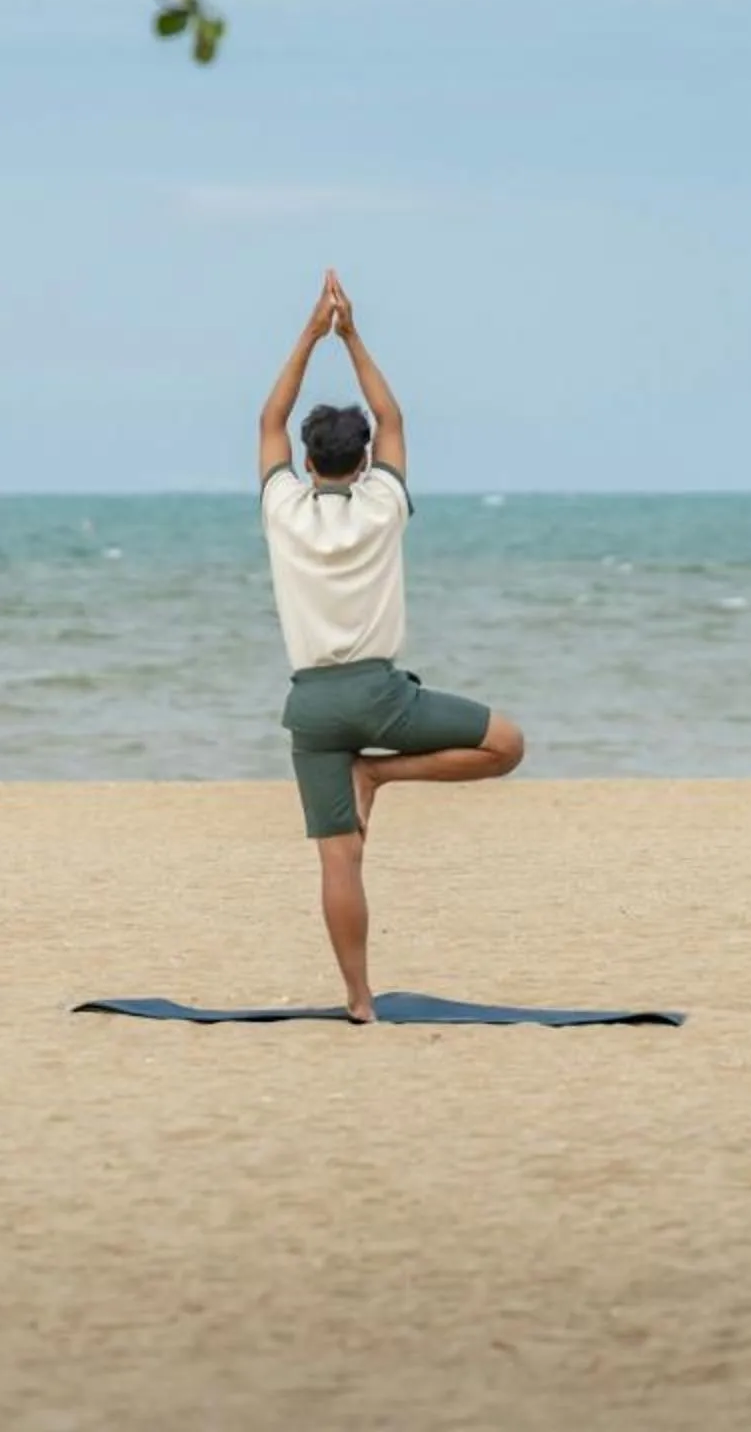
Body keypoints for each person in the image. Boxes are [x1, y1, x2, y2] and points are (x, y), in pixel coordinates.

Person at [257, 272, 526, 1021]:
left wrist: (311, 334)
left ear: (308, 464)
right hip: (382, 699)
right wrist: (353, 336)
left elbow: (268, 419)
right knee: (506, 745)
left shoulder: (283, 509)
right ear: (365, 460)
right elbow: (393, 414)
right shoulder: (383, 503)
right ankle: (383, 776)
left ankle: (359, 1001)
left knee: (339, 861)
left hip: (312, 708)